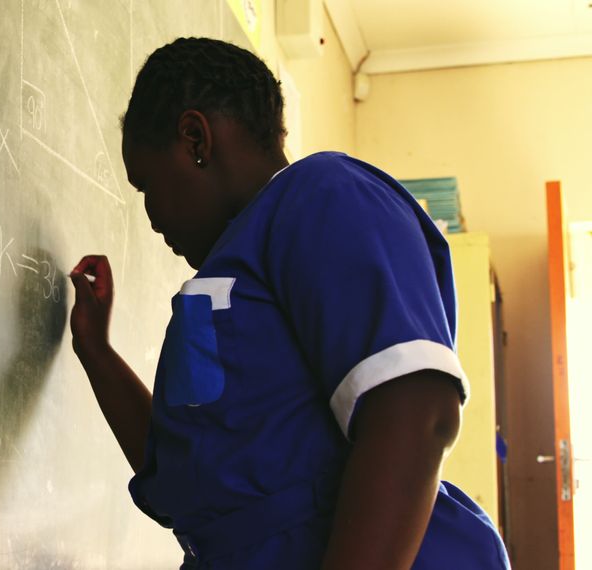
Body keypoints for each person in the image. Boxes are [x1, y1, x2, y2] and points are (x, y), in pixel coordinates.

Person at [68, 37, 510, 569]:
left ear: (194, 139)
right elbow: (198, 483)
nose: (151, 213)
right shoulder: (233, 279)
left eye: (146, 186)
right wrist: (96, 352)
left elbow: (414, 411)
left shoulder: (322, 193)